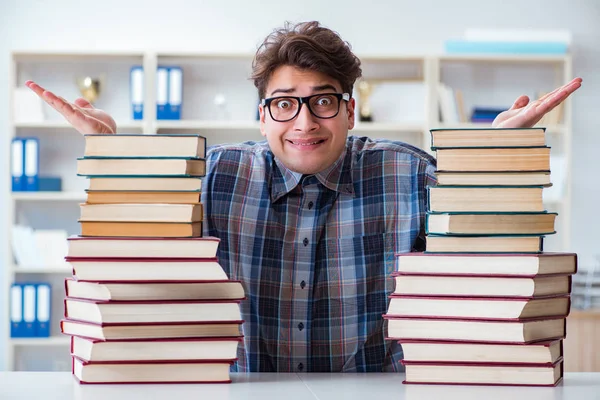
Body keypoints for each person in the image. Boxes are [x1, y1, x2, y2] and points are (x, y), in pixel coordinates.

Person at [26, 21, 582, 373]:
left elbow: (491, 256)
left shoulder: (410, 174)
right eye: (285, 102)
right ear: (261, 114)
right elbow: (136, 250)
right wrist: (111, 157)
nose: (305, 122)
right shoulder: (213, 176)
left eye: (324, 101)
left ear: (350, 109)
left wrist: (494, 156)